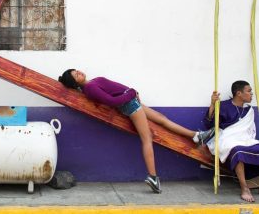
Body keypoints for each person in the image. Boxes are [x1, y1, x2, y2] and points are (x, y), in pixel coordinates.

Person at [58, 69, 214, 194]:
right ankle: (153, 177)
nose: (79, 72)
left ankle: (196, 135)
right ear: (74, 82)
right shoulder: (90, 88)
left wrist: (131, 93)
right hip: (130, 105)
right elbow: (112, 101)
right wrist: (132, 92)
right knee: (147, 139)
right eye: (75, 75)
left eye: (76, 70)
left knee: (161, 118)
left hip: (132, 102)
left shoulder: (91, 83)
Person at [205, 81, 259, 203]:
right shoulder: (223, 106)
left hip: (246, 140)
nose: (252, 94)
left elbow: (249, 131)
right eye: (249, 91)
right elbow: (209, 124)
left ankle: (254, 180)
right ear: (239, 93)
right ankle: (244, 188)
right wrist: (213, 105)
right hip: (227, 139)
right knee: (237, 151)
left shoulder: (249, 110)